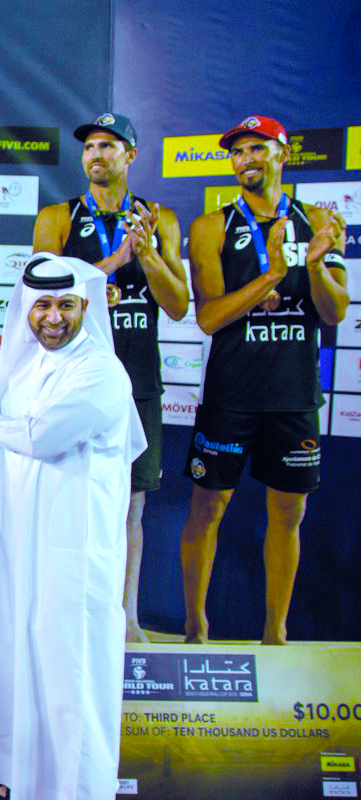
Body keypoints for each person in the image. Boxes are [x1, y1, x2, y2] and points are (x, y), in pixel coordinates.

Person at [0, 253, 146, 800]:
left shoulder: (101, 370)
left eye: (67, 305)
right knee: (20, 653)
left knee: (69, 666)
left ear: (85, 307)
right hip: (18, 537)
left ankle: (77, 789)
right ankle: (26, 781)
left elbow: (44, 436)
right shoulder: (20, 360)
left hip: (73, 546)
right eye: (43, 305)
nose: (53, 317)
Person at [180, 116, 348, 645]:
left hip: (294, 394)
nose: (245, 159)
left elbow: (335, 312)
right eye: (237, 151)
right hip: (231, 393)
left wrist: (316, 266)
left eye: (257, 148)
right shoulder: (212, 226)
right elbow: (208, 318)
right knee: (208, 509)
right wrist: (272, 274)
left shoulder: (319, 220)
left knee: (288, 513)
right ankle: (194, 628)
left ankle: (275, 634)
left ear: (282, 153)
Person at [33, 112, 189, 642]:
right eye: (90, 147)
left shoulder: (160, 220)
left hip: (137, 378)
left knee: (132, 504)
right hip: (73, 378)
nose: (96, 155)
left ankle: (125, 617)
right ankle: (66, 615)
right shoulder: (57, 217)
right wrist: (111, 263)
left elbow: (178, 305)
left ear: (131, 156)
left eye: (109, 146)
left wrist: (147, 255)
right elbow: (40, 295)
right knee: (66, 499)